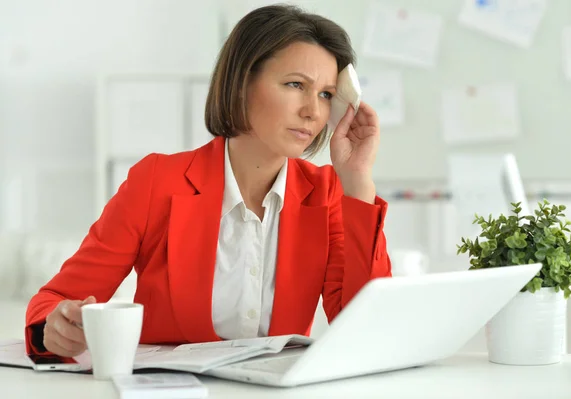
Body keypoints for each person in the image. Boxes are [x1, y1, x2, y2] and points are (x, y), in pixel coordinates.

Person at [25, 4, 392, 357]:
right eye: (295, 85)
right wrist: (55, 327)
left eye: (326, 94)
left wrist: (357, 182)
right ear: (242, 83)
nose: (313, 111)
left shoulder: (325, 193)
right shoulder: (157, 181)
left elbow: (365, 327)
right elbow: (54, 301)